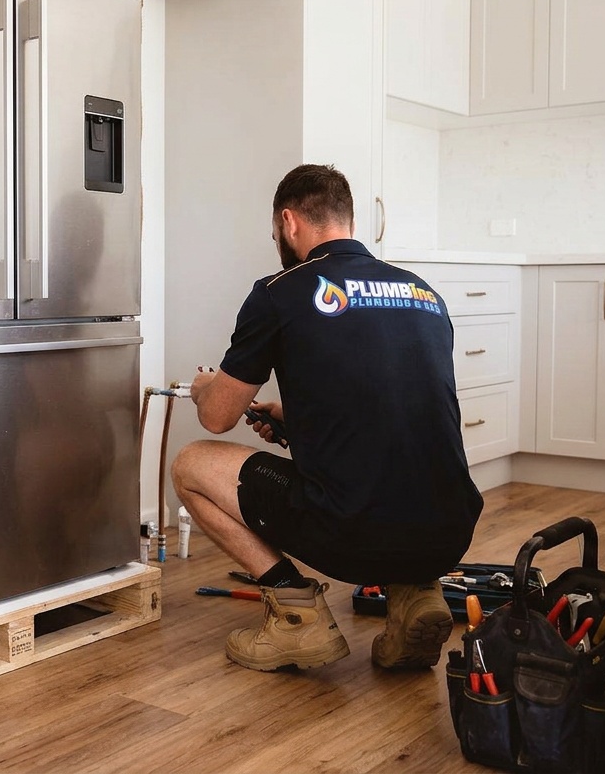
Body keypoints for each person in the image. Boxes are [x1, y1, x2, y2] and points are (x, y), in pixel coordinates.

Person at [173, 163, 483, 672]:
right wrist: (294, 419)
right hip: (449, 533)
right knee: (401, 484)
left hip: (356, 534)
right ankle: (415, 594)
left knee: (191, 465)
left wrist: (206, 387)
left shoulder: (279, 292)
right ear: (351, 220)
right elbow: (393, 407)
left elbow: (218, 419)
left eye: (277, 230)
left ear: (289, 222)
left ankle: (296, 617)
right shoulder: (423, 292)